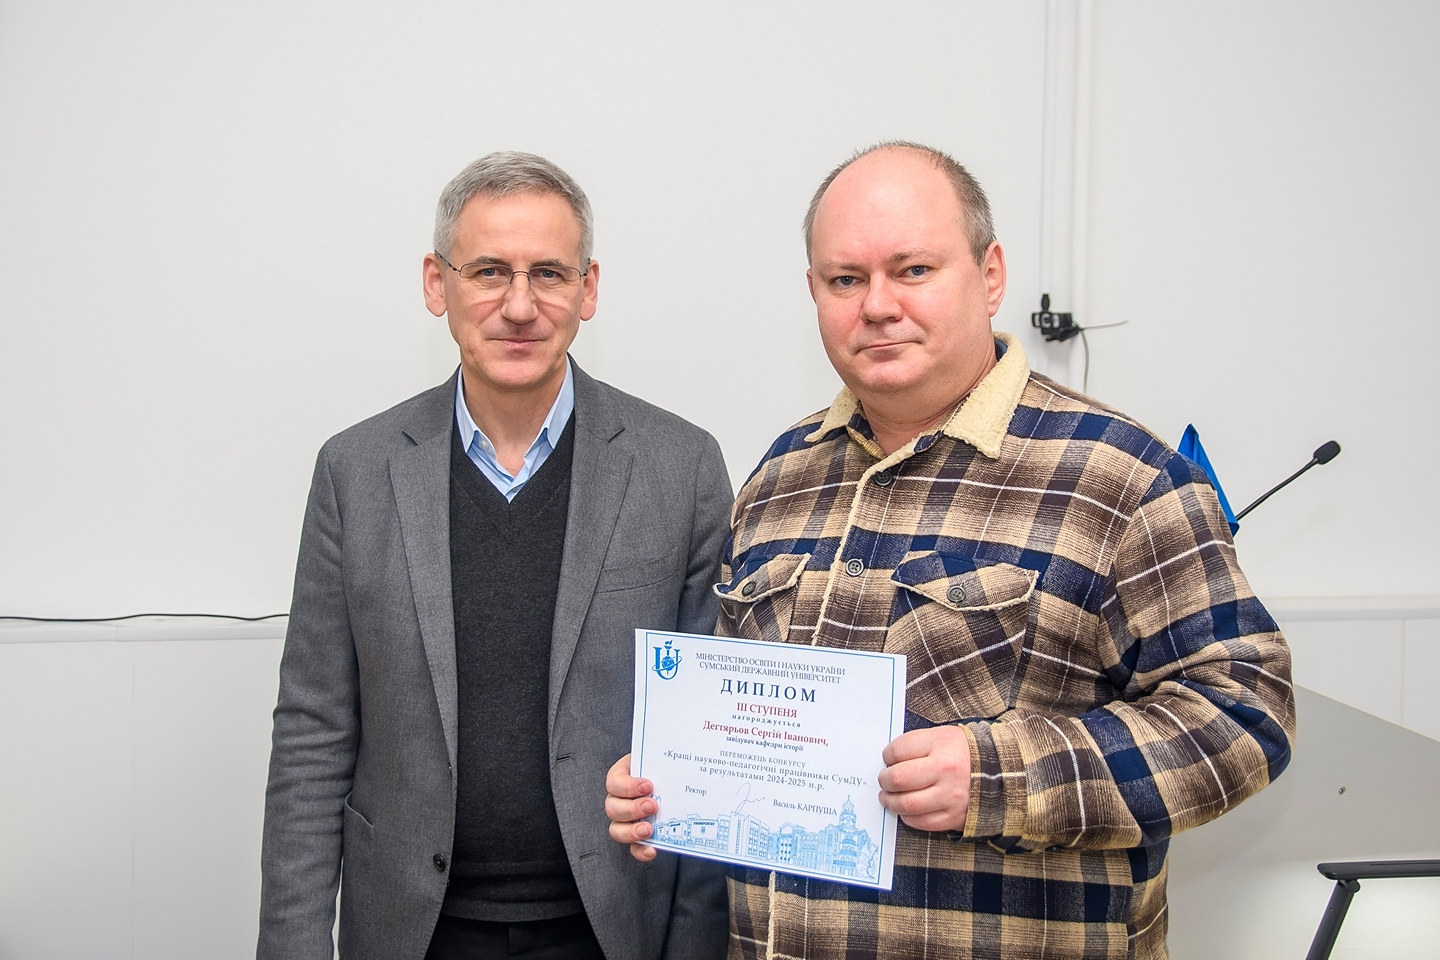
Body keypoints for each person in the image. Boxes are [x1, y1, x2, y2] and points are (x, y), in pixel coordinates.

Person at [604, 141, 1295, 959]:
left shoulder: (1119, 477)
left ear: (990, 275)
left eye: (914, 270)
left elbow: (1246, 712)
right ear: (814, 291)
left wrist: (1002, 775)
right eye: (845, 280)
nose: (878, 305)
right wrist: (670, 777)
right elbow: (739, 715)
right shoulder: (781, 477)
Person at [258, 152, 731, 960]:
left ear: (588, 289)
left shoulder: (679, 468)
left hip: (610, 925)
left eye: (548, 273)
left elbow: (710, 743)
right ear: (436, 284)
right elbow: (313, 731)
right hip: (413, 929)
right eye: (488, 272)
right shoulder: (355, 471)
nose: (519, 305)